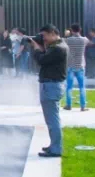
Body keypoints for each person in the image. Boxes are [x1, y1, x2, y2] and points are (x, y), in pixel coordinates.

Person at [29, 25, 67, 158]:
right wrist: (42, 47)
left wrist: (36, 49)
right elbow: (47, 57)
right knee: (52, 119)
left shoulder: (58, 49)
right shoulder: (58, 46)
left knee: (52, 120)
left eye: (44, 36)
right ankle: (54, 145)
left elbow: (42, 60)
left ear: (52, 34)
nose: (43, 38)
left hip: (51, 86)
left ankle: (56, 149)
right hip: (52, 85)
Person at [63, 24, 89, 111]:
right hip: (80, 65)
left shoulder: (68, 40)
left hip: (70, 65)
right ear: (80, 29)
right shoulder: (84, 40)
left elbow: (62, 42)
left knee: (69, 86)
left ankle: (69, 105)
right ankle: (83, 106)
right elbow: (88, 42)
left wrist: (66, 34)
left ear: (71, 30)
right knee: (82, 86)